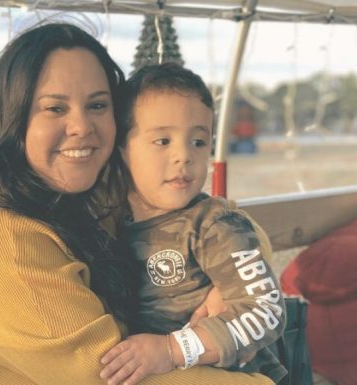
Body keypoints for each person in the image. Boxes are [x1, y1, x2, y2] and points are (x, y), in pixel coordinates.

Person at [0, 23, 274, 385]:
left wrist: (226, 277)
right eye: (55, 108)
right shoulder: (2, 244)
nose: (82, 126)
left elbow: (232, 228)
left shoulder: (80, 199)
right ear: (13, 118)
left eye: (98, 105)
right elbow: (113, 376)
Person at [99, 63, 286, 385]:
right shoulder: (107, 223)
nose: (183, 156)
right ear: (123, 151)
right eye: (162, 141)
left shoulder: (213, 226)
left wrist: (173, 349)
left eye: (198, 142)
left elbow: (265, 310)